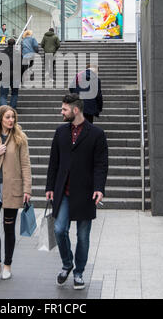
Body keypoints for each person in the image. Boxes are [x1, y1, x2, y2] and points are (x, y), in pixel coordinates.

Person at [46, 94, 108, 290]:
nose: (61, 112)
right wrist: (49, 187)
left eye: (64, 109)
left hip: (85, 193)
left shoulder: (97, 134)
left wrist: (99, 188)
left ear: (75, 110)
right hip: (62, 191)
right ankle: (67, 264)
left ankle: (79, 272)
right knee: (58, 229)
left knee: (83, 236)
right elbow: (53, 162)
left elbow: (101, 165)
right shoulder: (60, 132)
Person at [0, 105, 32, 282]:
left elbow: (26, 165)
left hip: (12, 190)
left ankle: (7, 265)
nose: (11, 120)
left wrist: (27, 190)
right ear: (0, 118)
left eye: (13, 117)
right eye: (8, 117)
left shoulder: (20, 138)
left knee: (9, 229)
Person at [0, 38, 21, 110]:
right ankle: (12, 108)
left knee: (3, 95)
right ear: (15, 45)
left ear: (7, 44)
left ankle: (4, 109)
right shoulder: (18, 54)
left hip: (4, 76)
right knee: (14, 94)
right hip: (16, 76)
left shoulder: (1, 54)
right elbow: (23, 66)